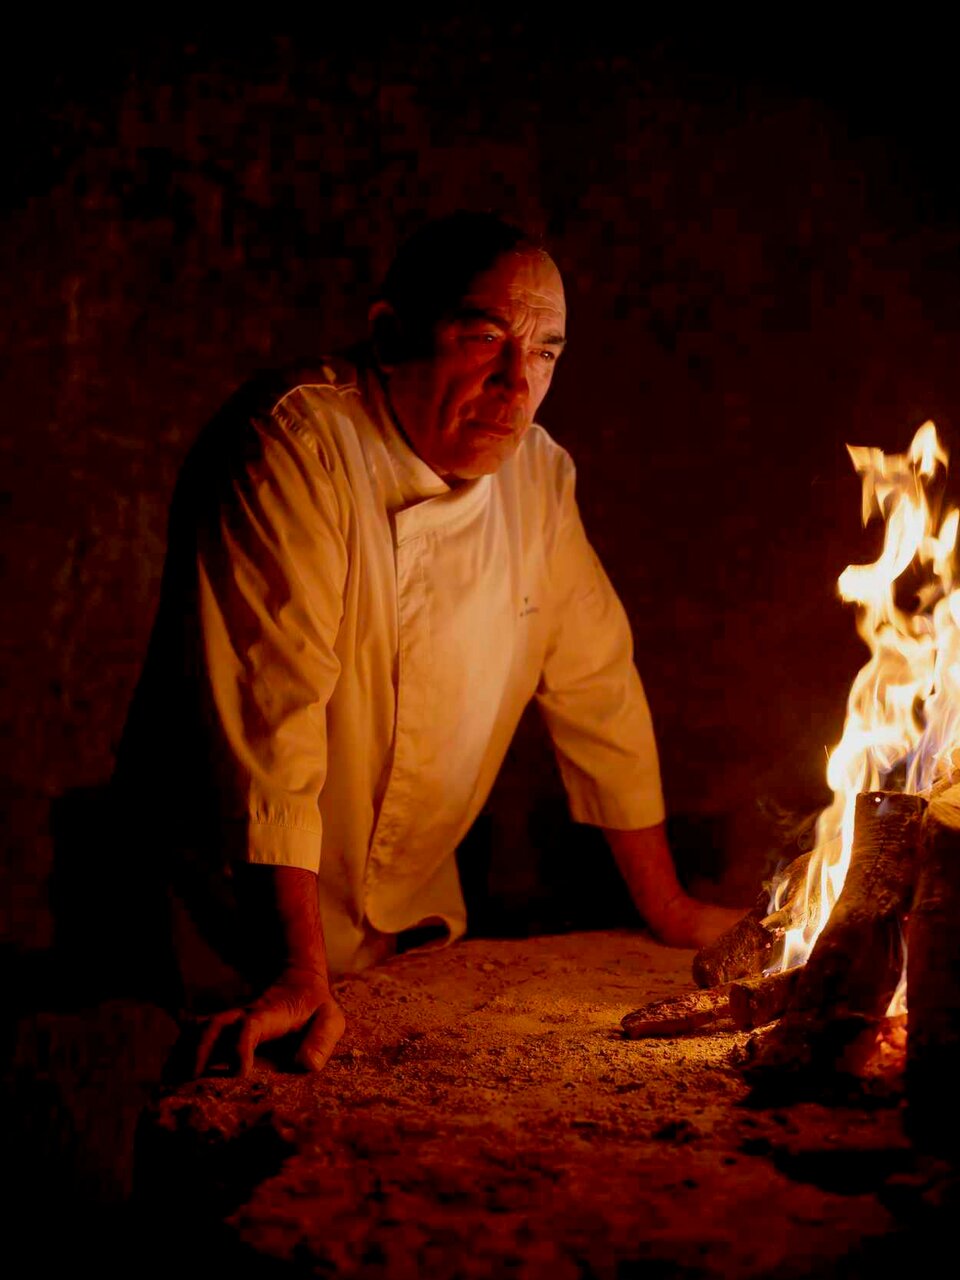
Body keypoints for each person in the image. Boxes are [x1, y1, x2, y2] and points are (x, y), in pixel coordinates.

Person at [114, 212, 740, 1076]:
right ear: (389, 333)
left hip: (407, 929)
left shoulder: (538, 480)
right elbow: (273, 716)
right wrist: (295, 967)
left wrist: (667, 905)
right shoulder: (294, 444)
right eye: (482, 338)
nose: (517, 383)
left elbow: (599, 689)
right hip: (228, 917)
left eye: (547, 352)